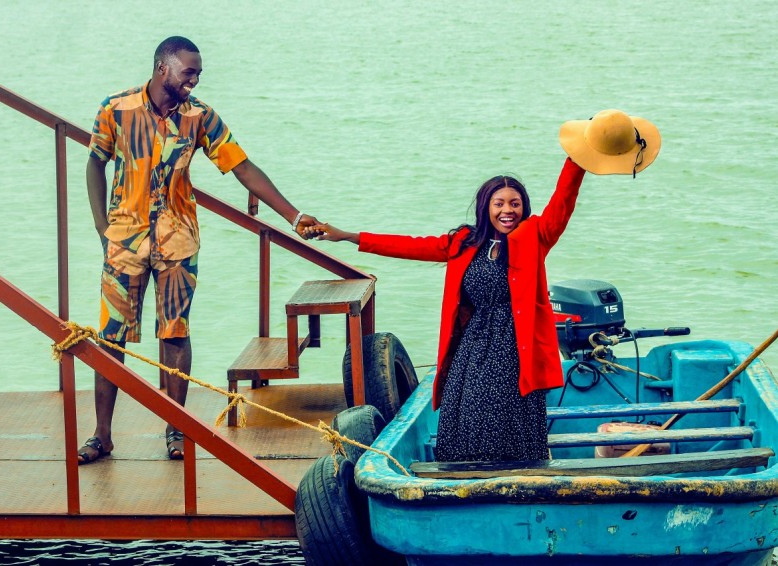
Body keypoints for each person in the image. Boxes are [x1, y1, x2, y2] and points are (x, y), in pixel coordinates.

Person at [309, 109, 660, 462]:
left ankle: (517, 476)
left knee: (507, 418)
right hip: (472, 345)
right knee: (464, 412)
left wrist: (580, 156)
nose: (507, 210)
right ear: (485, 207)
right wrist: (348, 236)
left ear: (524, 209)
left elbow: (563, 199)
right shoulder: (463, 242)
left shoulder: (535, 236)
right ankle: (465, 477)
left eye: (515, 204)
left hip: (516, 348)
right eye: (499, 203)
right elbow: (410, 245)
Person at [78, 36, 320, 464]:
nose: (195, 79)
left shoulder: (200, 118)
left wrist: (293, 215)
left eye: (198, 73)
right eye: (188, 71)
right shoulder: (115, 109)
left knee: (175, 333)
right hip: (124, 243)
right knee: (110, 338)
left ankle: (176, 429)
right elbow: (95, 161)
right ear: (162, 68)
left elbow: (242, 166)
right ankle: (101, 435)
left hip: (178, 240)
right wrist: (102, 225)